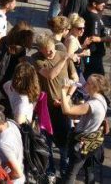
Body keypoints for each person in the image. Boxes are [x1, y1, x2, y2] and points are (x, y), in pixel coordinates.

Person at [33, 33, 78, 178]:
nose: (51, 52)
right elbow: (50, 75)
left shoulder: (62, 54)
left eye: (52, 48)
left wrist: (68, 96)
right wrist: (64, 58)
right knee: (47, 140)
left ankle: (64, 166)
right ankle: (50, 169)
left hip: (63, 106)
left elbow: (75, 78)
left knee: (64, 139)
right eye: (47, 50)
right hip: (46, 108)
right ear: (41, 50)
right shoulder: (37, 60)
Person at [58, 74, 110, 184]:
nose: (85, 83)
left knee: (71, 172)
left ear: (95, 87)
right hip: (93, 141)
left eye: (88, 83)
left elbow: (66, 111)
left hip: (82, 143)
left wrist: (63, 91)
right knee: (89, 169)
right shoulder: (101, 99)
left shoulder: (92, 104)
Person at [81, 0, 111, 76]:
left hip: (88, 53)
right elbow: (94, 38)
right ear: (94, 4)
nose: (104, 4)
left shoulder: (86, 12)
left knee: (88, 71)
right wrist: (106, 39)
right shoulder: (94, 19)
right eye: (101, 3)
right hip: (93, 53)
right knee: (97, 76)